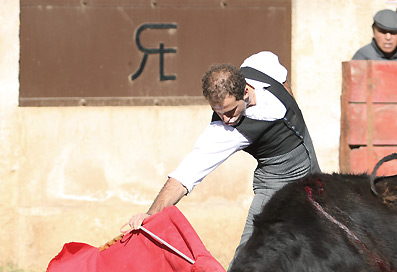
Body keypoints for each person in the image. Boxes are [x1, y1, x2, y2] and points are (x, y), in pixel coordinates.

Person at [126, 51, 321, 260]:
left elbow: (279, 73)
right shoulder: (224, 131)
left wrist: (290, 98)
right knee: (248, 260)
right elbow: (185, 175)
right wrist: (150, 215)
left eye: (230, 111)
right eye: (218, 111)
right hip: (275, 183)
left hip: (314, 171)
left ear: (245, 90)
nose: (226, 119)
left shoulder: (260, 65)